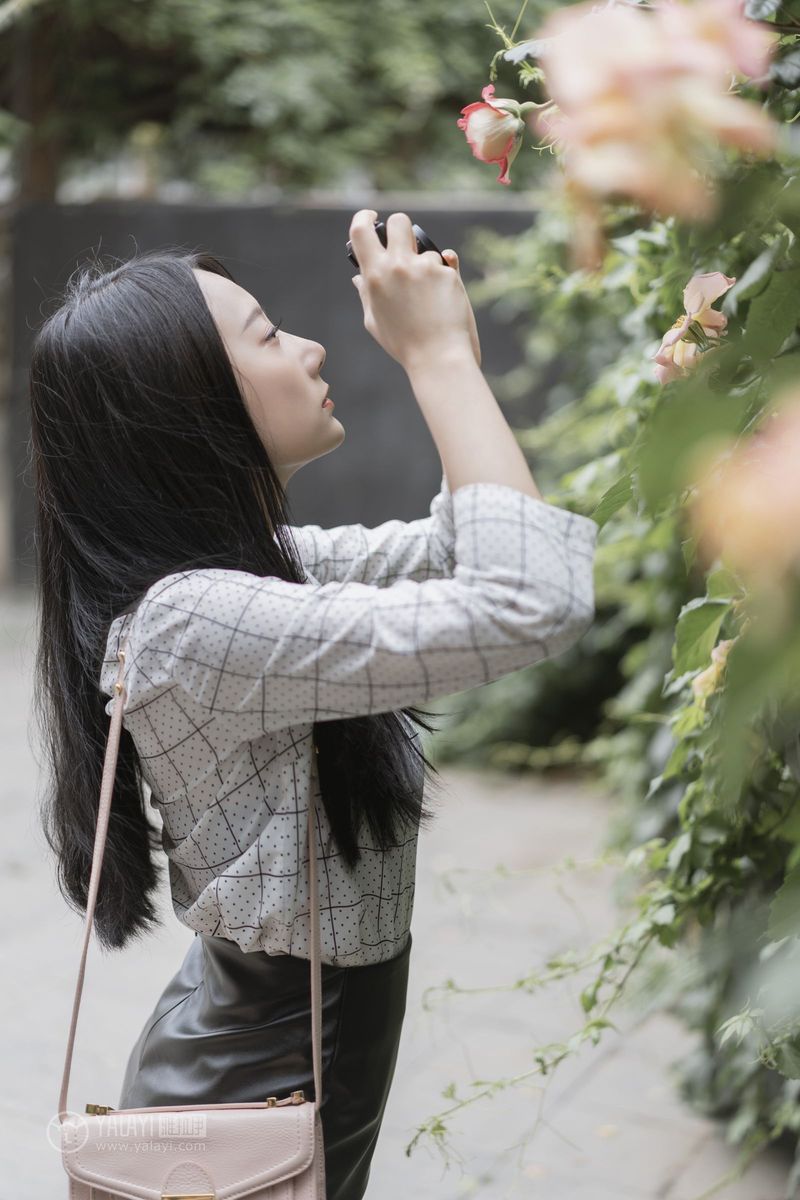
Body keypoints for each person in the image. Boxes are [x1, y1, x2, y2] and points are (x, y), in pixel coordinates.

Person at [30, 209, 599, 1199]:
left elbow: (489, 550)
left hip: (273, 1079)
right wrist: (435, 364)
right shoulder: (193, 624)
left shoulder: (264, 579)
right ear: (186, 409)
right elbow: (529, 602)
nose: (308, 345)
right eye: (265, 334)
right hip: (251, 1102)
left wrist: (448, 350)